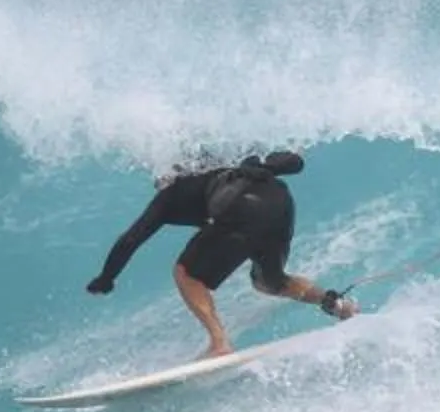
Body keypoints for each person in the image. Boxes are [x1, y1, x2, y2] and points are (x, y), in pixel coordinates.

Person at [86, 149, 357, 359]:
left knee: (186, 274)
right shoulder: (229, 170)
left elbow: (131, 239)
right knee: (270, 282)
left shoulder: (169, 195)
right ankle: (338, 305)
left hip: (242, 210)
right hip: (280, 202)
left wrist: (106, 278)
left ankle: (219, 343)